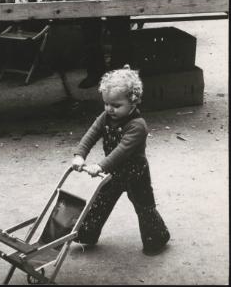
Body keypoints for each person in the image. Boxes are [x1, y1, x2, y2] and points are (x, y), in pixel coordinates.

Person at [72, 66, 170, 255]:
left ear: (133, 102)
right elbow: (92, 133)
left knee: (144, 206)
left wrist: (100, 166)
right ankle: (86, 234)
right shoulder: (106, 117)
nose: (110, 109)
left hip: (135, 172)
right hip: (113, 173)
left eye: (116, 105)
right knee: (101, 201)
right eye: (106, 104)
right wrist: (80, 154)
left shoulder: (137, 126)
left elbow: (122, 151)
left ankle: (157, 238)